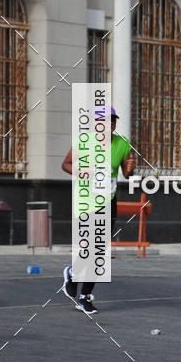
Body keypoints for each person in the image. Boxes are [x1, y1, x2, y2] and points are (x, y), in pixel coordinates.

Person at [61, 107, 135, 313]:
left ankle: (82, 292)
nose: (110, 124)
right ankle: (75, 277)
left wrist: (130, 168)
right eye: (105, 120)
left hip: (108, 201)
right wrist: (80, 171)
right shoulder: (84, 142)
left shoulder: (122, 143)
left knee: (99, 249)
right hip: (86, 201)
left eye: (113, 121)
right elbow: (66, 164)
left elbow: (127, 173)